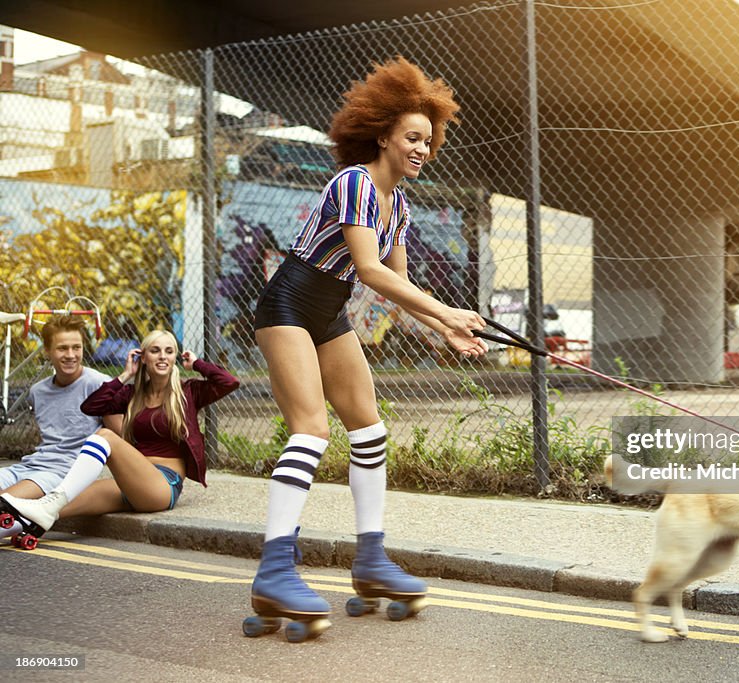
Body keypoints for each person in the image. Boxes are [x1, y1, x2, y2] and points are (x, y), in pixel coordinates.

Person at [247, 57, 487, 630]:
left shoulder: (399, 203)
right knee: (311, 428)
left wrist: (446, 328)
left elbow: (398, 287)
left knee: (369, 427)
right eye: (412, 137)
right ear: (382, 135)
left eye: (429, 140)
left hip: (327, 314)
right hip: (288, 305)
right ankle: (274, 569)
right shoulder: (354, 182)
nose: (423, 148)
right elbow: (371, 270)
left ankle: (371, 558)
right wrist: (448, 309)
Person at [0, 329, 239, 543]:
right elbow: (91, 406)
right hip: (129, 482)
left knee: (104, 436)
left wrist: (196, 364)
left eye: (169, 351)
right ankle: (23, 522)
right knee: (56, 507)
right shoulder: (133, 394)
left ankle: (48, 503)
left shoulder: (189, 391)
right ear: (142, 357)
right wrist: (125, 375)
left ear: (176, 357)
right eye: (155, 351)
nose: (163, 357)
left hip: (163, 485)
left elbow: (229, 382)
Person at [0, 315, 122, 542]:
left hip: (61, 474)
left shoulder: (99, 384)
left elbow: (122, 438)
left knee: (5, 502)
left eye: (77, 347)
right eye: (62, 348)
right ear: (47, 351)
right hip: (31, 465)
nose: (71, 355)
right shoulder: (38, 391)